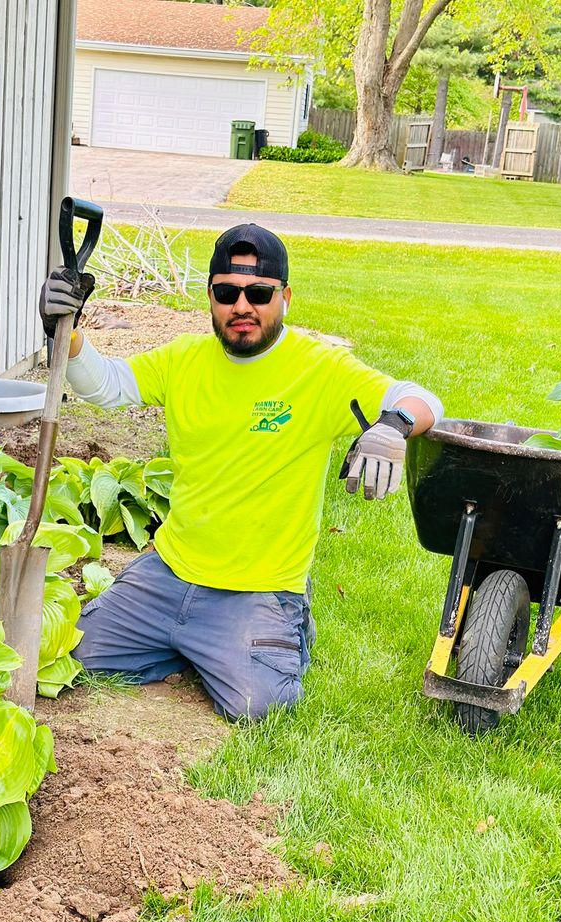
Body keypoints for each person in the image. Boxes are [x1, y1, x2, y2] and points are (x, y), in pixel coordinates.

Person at [38, 223, 442, 721]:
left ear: (285, 297)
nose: (242, 306)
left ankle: (267, 632)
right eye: (228, 292)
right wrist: (69, 335)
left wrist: (394, 426)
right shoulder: (184, 359)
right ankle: (193, 642)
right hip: (171, 572)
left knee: (260, 706)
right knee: (74, 655)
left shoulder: (320, 369)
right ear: (211, 295)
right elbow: (108, 386)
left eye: (259, 293)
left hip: (259, 587)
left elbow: (424, 399)